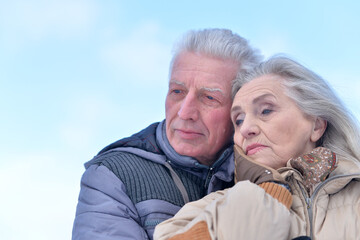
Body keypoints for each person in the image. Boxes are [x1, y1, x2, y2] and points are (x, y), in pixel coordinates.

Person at [71, 28, 262, 240]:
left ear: (240, 111)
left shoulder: (264, 173)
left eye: (208, 97)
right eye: (177, 92)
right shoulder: (113, 176)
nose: (185, 112)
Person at [154, 56, 360, 240]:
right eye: (239, 120)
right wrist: (264, 196)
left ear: (316, 125)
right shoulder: (206, 209)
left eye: (266, 110)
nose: (246, 129)